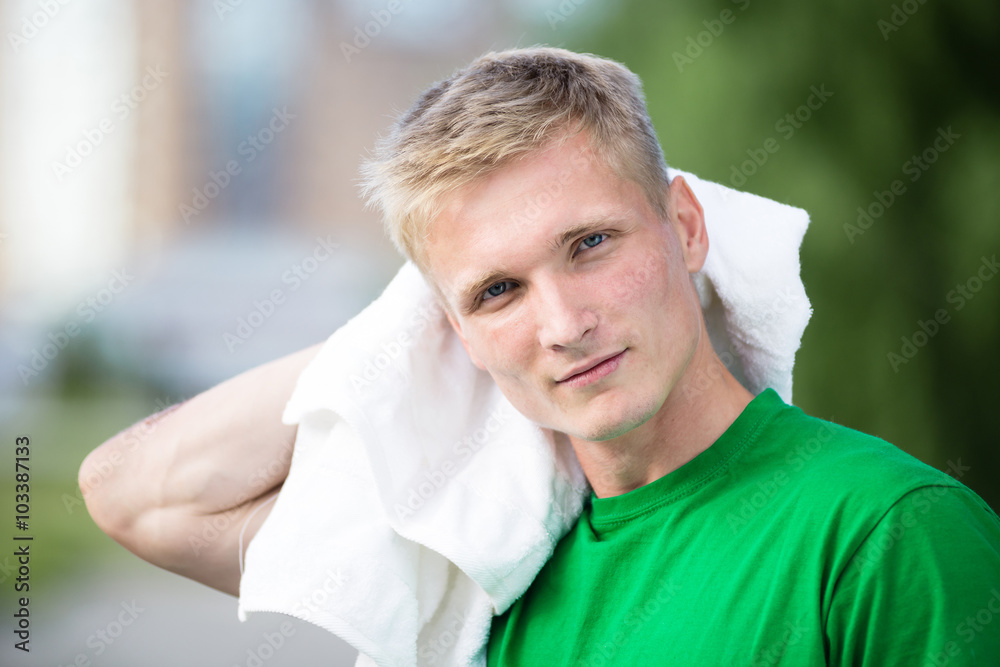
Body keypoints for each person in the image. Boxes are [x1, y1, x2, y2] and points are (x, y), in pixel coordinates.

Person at [81, 47, 1000, 665]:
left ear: (684, 226)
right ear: (445, 332)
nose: (563, 323)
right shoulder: (480, 559)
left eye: (591, 243)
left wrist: (481, 289)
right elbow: (132, 492)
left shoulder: (889, 534)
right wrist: (406, 326)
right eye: (499, 291)